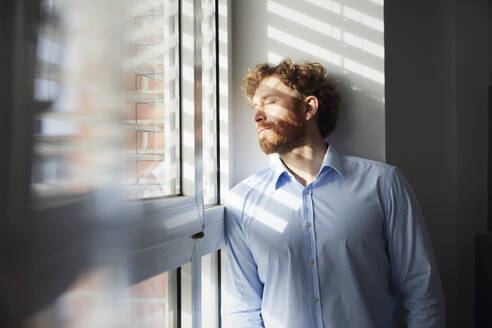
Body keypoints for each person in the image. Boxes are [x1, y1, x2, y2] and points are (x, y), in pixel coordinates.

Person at [222, 59, 446, 327]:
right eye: (255, 107)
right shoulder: (242, 201)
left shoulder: (383, 184)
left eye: (269, 102)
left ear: (309, 107)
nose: (257, 116)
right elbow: (241, 308)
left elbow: (422, 292)